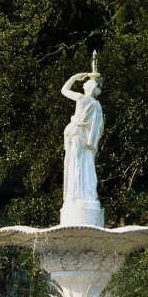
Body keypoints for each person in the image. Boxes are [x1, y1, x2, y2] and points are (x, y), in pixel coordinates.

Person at [60, 71, 103, 208]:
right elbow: (99, 126)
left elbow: (64, 90)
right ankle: (86, 194)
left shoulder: (80, 98)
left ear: (86, 89)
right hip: (85, 137)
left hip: (75, 134)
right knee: (85, 163)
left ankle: (74, 194)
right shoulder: (96, 105)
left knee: (75, 163)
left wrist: (73, 77)